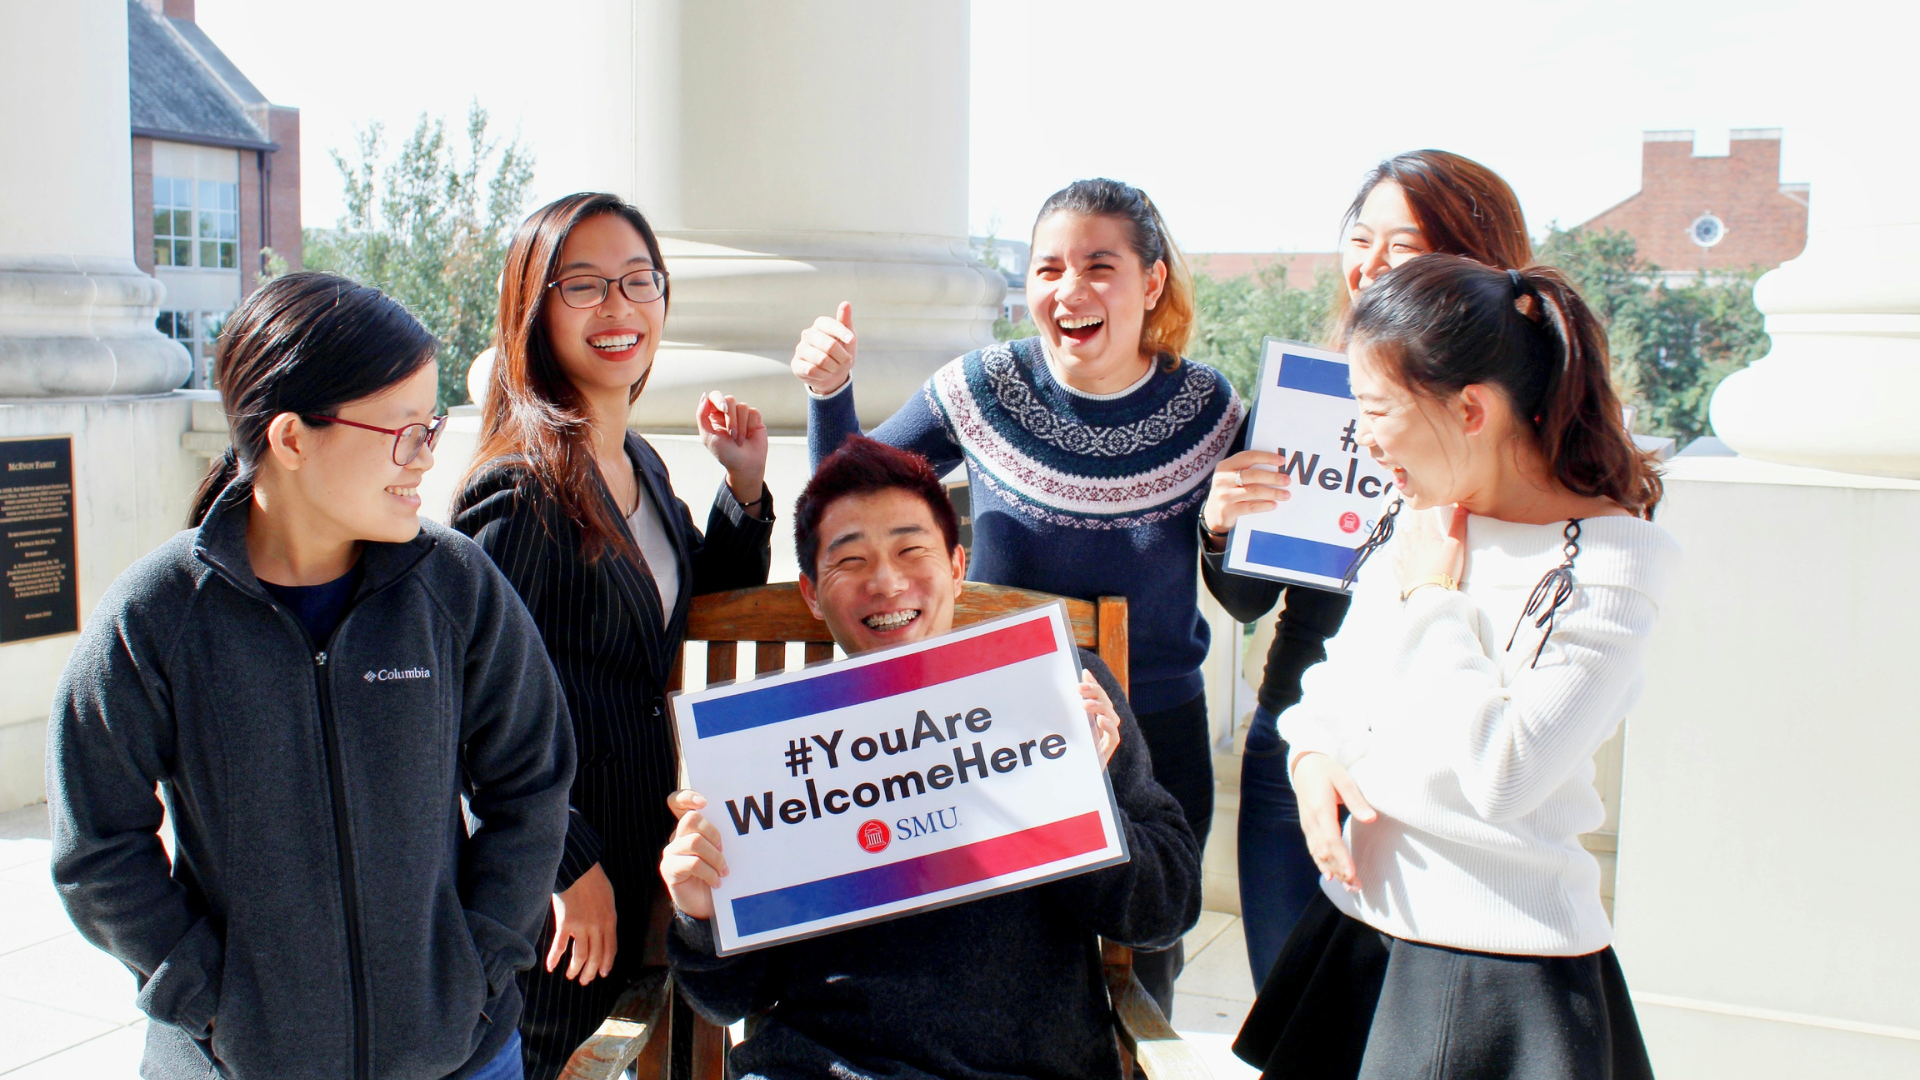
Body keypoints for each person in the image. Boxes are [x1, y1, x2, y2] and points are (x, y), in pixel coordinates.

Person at [47, 272, 574, 1080]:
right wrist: (207, 1000)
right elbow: (97, 846)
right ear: (291, 439)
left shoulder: (456, 587)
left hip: (459, 1056)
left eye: (431, 427)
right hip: (234, 1064)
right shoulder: (154, 618)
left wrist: (474, 970)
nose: (426, 460)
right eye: (404, 432)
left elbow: (532, 786)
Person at [790, 179, 1238, 1008]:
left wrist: (1224, 530)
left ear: (1153, 281)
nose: (1070, 290)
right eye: (1048, 268)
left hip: (1159, 734)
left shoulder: (1210, 408)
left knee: (1146, 971)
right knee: (1013, 969)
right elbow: (849, 493)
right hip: (995, 727)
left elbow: (1245, 596)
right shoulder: (982, 385)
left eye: (1100, 266)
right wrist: (829, 392)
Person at [1231, 256, 1674, 1079]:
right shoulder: (1421, 513)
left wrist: (1435, 600)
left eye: (1375, 410)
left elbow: (1504, 773)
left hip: (1500, 971)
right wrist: (1312, 755)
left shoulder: (1617, 560)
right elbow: (1338, 679)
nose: (1362, 439)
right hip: (1360, 932)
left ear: (1470, 408)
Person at [658, 435, 1201, 1080]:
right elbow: (724, 1001)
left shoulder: (1059, 688)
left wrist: (1087, 793)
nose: (886, 583)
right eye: (850, 560)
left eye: (912, 550)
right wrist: (698, 911)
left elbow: (1166, 909)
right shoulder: (769, 757)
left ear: (958, 565)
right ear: (811, 593)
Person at [452, 192, 775, 1080]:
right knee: (560, 1055)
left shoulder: (635, 461)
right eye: (584, 285)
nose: (618, 307)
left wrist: (743, 491)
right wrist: (568, 862)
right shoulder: (517, 490)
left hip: (645, 838)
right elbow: (472, 706)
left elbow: (687, 611)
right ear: (533, 306)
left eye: (639, 281)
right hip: (560, 876)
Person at [1198, 150, 1537, 984]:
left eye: (1405, 245)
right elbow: (1245, 599)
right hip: (1299, 745)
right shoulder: (1308, 396)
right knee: (1294, 1025)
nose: (1372, 266)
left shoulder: (1522, 423)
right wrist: (1218, 524)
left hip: (1439, 765)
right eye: (1361, 240)